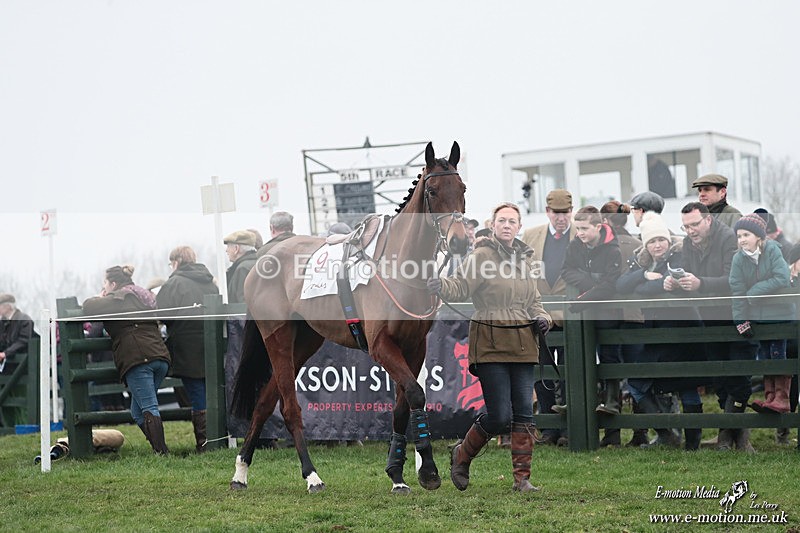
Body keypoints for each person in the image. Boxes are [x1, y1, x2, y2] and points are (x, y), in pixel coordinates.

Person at [427, 202, 552, 493]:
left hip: (523, 343)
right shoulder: (481, 256)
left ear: (519, 227)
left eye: (512, 221)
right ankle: (462, 454)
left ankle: (522, 479)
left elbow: (535, 302)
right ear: (493, 226)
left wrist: (543, 318)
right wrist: (441, 285)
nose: (507, 225)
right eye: (501, 221)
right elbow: (459, 287)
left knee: (524, 413)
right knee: (500, 416)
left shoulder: (525, 261)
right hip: (491, 342)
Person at [664, 202, 754, 452]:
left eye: (694, 224)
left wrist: (701, 283)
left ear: (708, 220)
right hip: (710, 317)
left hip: (737, 315)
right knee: (720, 376)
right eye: (686, 226)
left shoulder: (728, 239)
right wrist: (675, 282)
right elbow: (689, 274)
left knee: (739, 375)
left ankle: (733, 435)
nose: (690, 230)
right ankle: (731, 435)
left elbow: (734, 278)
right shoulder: (686, 244)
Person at [616, 213, 702, 449]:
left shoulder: (680, 255)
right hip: (654, 336)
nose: (657, 245)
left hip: (682, 331)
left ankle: (693, 443)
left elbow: (672, 283)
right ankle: (667, 433)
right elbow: (622, 285)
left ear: (668, 240)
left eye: (661, 240)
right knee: (636, 383)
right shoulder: (642, 262)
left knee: (687, 386)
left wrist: (650, 285)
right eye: (652, 241)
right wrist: (645, 277)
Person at [82, 266, 171, 455]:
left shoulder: (119, 298)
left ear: (113, 284)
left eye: (105, 283)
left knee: (148, 406)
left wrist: (102, 296)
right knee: (137, 412)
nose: (104, 287)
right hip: (159, 357)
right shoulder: (141, 295)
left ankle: (162, 453)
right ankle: (159, 448)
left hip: (139, 358)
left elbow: (88, 306)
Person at [521, 189, 575, 446]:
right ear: (548, 212)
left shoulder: (580, 236)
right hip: (540, 317)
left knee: (569, 372)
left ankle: (568, 427)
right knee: (542, 372)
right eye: (556, 213)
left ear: (571, 212)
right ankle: (550, 428)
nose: (561, 218)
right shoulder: (531, 236)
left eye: (565, 213)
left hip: (570, 318)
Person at [156, 245, 220, 453]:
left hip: (186, 346)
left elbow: (163, 315)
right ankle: (219, 437)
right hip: (211, 343)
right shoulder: (210, 282)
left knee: (197, 392)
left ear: (176, 262)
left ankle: (205, 442)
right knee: (213, 391)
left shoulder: (174, 283)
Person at [561, 206, 623, 419]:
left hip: (606, 312)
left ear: (598, 226)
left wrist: (584, 297)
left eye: (585, 228)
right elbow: (566, 270)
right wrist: (589, 282)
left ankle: (612, 402)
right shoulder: (575, 245)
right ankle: (576, 401)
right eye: (577, 228)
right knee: (579, 353)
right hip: (583, 311)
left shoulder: (613, 249)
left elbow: (611, 284)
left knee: (609, 355)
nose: (580, 233)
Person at [729, 214, 794, 415]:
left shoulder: (772, 249)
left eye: (746, 235)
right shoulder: (738, 258)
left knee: (778, 354)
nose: (741, 240)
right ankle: (769, 397)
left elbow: (782, 277)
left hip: (779, 315)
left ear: (758, 236)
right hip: (758, 317)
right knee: (764, 355)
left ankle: (782, 398)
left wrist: (754, 292)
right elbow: (737, 289)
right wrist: (740, 319)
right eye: (739, 236)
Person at [599, 201, 645, 447]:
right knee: (636, 373)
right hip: (634, 316)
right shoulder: (638, 246)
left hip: (608, 315)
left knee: (610, 373)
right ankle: (640, 432)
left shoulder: (601, 246)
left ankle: (612, 434)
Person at [222, 230, 259, 438]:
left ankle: (253, 433)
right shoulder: (262, 263)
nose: (227, 251)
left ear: (237, 248)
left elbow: (239, 305)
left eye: (228, 247)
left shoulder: (242, 269)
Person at [0, 293, 33, 374]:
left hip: (22, 368)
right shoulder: (3, 322)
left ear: (7, 306)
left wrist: (5, 353)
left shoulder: (24, 320)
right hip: (7, 366)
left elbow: (23, 341)